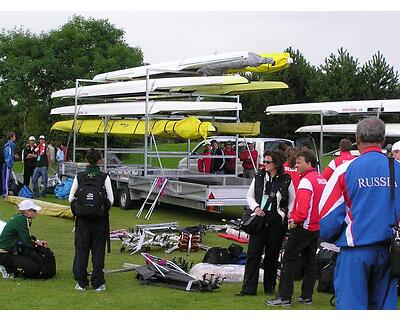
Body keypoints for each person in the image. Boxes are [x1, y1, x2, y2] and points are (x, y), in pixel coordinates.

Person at [319, 117, 399, 310]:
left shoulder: (344, 170)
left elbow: (327, 218)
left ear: (357, 138)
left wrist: (331, 238)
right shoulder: (397, 168)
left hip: (355, 251)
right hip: (390, 252)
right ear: (384, 139)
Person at [266, 149, 326, 307]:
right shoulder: (321, 179)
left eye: (299, 162)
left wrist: (295, 220)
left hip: (303, 226)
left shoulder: (306, 181)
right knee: (310, 262)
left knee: (288, 260)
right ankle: (307, 296)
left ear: (309, 163)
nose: (296, 165)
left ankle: (284, 297)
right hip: (315, 227)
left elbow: (303, 207)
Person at [237, 150, 295, 297]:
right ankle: (248, 288)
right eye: (265, 161)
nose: (265, 164)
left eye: (268, 162)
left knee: (272, 255)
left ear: (276, 164)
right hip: (259, 220)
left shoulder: (286, 179)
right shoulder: (259, 176)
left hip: (276, 222)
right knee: (253, 254)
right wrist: (256, 208)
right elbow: (249, 196)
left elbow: (292, 200)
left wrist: (284, 214)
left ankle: (269, 287)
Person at [69, 149, 114, 292]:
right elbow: (111, 200)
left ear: (86, 159)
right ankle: (98, 282)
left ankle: (81, 283)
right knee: (98, 251)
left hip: (82, 221)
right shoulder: (104, 176)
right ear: (100, 160)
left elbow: (71, 198)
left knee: (81, 251)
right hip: (100, 221)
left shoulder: (80, 176)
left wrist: (80, 210)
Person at [0, 199, 48, 279]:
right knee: (33, 268)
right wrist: (36, 245)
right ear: (26, 211)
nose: (36, 212)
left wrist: (36, 242)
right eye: (34, 210)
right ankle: (7, 268)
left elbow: (25, 237)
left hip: (10, 250)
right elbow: (26, 242)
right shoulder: (22, 220)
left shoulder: (20, 218)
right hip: (5, 253)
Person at [2, 132, 17, 197]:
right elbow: (8, 156)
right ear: (11, 137)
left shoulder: (11, 146)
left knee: (7, 179)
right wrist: (9, 165)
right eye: (14, 136)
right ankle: (5, 193)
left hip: (8, 165)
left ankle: (6, 192)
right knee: (6, 179)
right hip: (7, 166)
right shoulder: (9, 146)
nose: (15, 138)